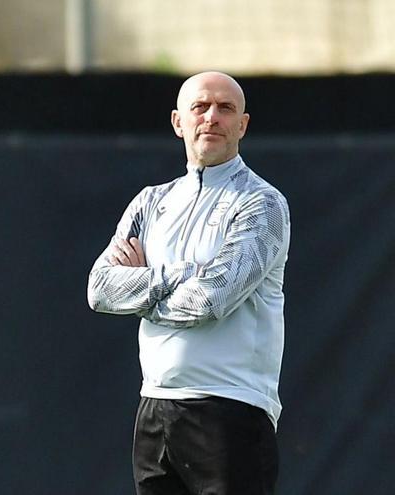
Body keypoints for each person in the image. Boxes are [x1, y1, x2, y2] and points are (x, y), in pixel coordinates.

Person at [87, 71, 290, 495]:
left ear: (243, 125)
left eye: (225, 108)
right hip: (155, 407)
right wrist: (182, 272)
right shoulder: (150, 202)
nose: (211, 117)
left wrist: (141, 285)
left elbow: (209, 300)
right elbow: (101, 289)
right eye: (200, 107)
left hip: (230, 408)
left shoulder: (262, 202)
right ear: (179, 121)